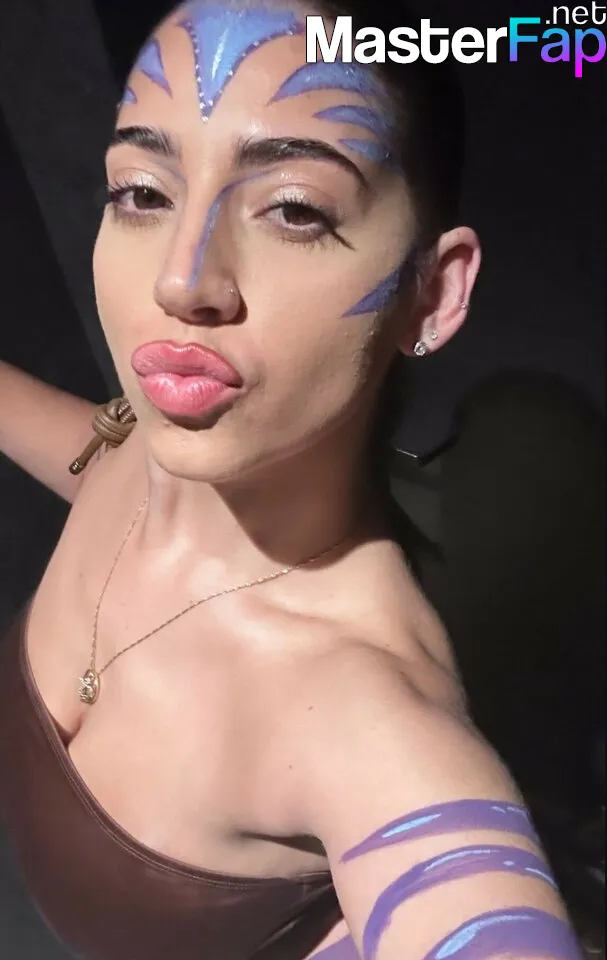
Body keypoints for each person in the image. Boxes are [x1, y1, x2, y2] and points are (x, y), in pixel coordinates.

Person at [0, 0, 588, 958]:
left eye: (294, 209)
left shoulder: (371, 729)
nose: (180, 281)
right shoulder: (136, 461)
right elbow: (96, 456)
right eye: (141, 192)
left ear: (432, 292)